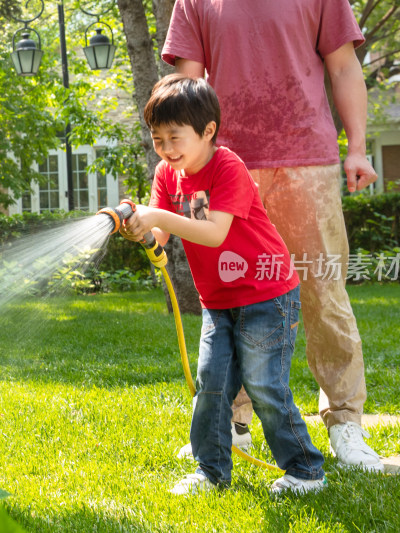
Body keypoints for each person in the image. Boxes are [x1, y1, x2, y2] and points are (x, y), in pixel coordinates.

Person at [162, 0, 383, 472]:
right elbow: (185, 85)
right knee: (226, 292)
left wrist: (358, 147)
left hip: (308, 157)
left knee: (323, 288)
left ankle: (346, 424)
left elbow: (343, 66)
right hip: (218, 166)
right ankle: (231, 422)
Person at [121, 73, 325, 495]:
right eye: (158, 139)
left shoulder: (226, 166)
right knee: (212, 385)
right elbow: (160, 235)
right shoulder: (166, 173)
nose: (166, 149)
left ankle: (306, 471)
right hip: (217, 299)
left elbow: (214, 232)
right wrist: (139, 227)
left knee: (265, 385)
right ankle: (211, 472)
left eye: (175, 137)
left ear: (208, 131)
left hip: (267, 294)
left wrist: (156, 216)